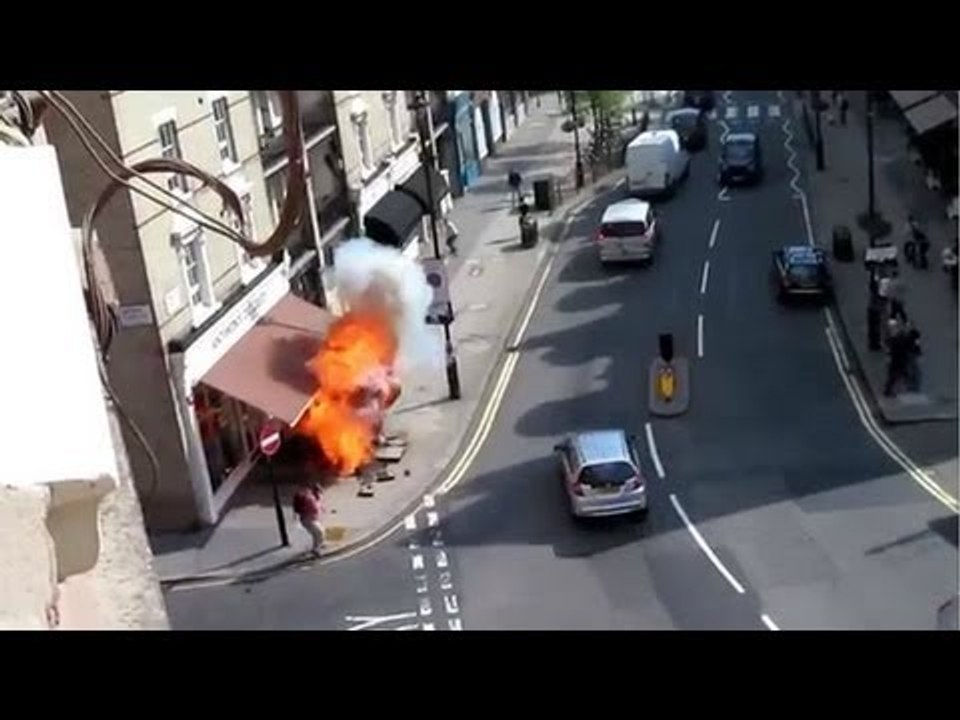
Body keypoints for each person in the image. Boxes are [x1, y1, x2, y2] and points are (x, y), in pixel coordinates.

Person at [293, 482, 325, 556]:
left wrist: (321, 509)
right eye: (319, 492)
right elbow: (313, 508)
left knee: (317, 533)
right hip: (308, 520)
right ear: (315, 491)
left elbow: (317, 506)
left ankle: (318, 545)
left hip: (309, 519)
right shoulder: (310, 499)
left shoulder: (312, 497)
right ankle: (316, 549)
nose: (320, 494)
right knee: (319, 533)